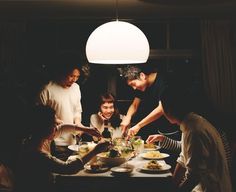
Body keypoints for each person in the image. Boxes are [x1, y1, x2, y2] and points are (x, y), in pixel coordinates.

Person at [15, 105, 109, 192]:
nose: (56, 127)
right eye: (54, 124)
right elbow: (69, 168)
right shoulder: (36, 154)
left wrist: (86, 129)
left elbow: (62, 128)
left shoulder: (37, 138)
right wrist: (95, 151)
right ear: (46, 127)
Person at [156, 87, 232, 192]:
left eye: (161, 108)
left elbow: (194, 176)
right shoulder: (188, 123)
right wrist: (173, 186)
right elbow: (183, 159)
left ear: (169, 109)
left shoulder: (195, 130)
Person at [37, 54, 90, 160]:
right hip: (54, 143)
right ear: (62, 72)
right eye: (71, 76)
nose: (74, 80)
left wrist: (78, 123)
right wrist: (54, 120)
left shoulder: (76, 88)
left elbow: (77, 110)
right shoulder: (47, 89)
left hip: (73, 142)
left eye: (77, 77)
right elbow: (38, 114)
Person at [118, 64, 180, 140]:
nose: (134, 88)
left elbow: (161, 109)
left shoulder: (164, 81)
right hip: (156, 129)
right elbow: (135, 104)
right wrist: (128, 117)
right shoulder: (143, 86)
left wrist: (139, 125)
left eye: (133, 84)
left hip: (172, 129)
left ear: (142, 75)